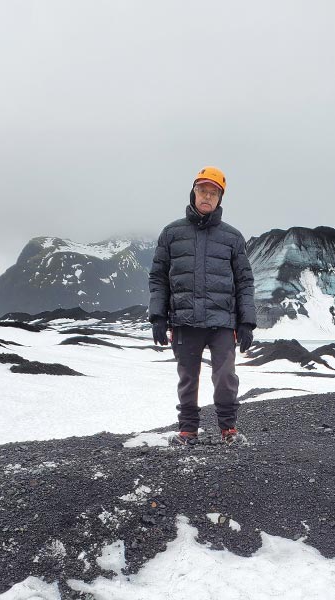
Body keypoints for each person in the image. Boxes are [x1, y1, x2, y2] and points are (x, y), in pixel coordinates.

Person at [148, 166, 257, 446]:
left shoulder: (232, 238)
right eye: (202, 190)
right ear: (193, 192)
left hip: (222, 321)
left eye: (213, 193)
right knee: (187, 377)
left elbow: (244, 282)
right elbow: (158, 278)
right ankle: (188, 431)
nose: (207, 196)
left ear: (220, 199)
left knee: (225, 377)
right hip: (184, 320)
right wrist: (157, 317)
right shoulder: (171, 233)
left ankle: (228, 430)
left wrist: (246, 322)